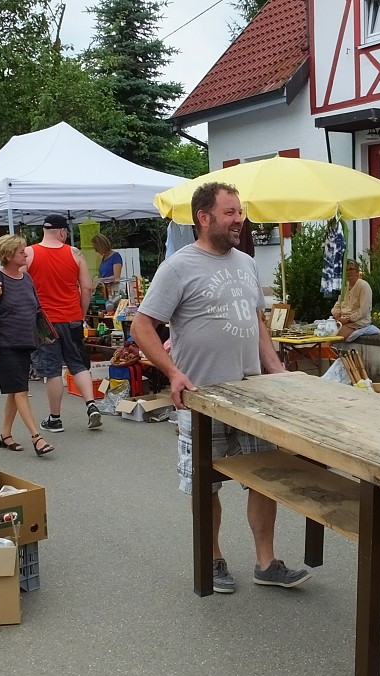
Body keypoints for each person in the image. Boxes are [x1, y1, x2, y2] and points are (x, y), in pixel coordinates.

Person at [130, 181, 310, 593]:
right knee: (206, 484)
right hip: (202, 398)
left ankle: (266, 562)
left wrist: (275, 370)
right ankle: (211, 559)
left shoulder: (247, 263)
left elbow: (258, 323)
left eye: (240, 212)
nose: (238, 220)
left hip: (251, 396)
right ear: (204, 217)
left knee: (264, 476)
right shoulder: (178, 266)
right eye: (229, 213)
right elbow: (143, 326)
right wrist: (173, 373)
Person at [0, 234, 54, 456]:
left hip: (25, 341)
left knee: (15, 391)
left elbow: (35, 308)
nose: (26, 254)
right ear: (8, 255)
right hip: (4, 343)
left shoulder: (26, 279)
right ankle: (37, 438)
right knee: (20, 390)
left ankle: (5, 435)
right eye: (21, 251)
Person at [27, 214, 103, 433]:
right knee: (77, 363)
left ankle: (55, 418)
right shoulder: (75, 254)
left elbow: (20, 285)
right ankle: (91, 405)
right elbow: (87, 288)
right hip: (72, 318)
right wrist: (82, 313)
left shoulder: (30, 254)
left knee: (52, 370)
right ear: (61, 232)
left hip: (44, 322)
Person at [330, 260, 374, 341]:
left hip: (357, 323)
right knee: (323, 332)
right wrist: (337, 316)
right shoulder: (345, 287)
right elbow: (337, 305)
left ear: (357, 272)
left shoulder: (363, 286)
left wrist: (348, 319)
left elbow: (363, 312)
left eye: (351, 269)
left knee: (332, 338)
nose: (348, 272)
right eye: (346, 270)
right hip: (342, 321)